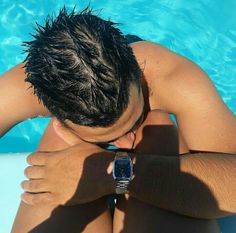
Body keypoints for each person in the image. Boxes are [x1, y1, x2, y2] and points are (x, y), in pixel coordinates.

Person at [0, 7, 236, 233]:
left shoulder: (174, 79)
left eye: (133, 121)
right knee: (66, 141)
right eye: (111, 138)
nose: (126, 140)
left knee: (156, 127)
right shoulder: (22, 92)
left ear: (138, 69)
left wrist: (111, 173)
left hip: (150, 117)